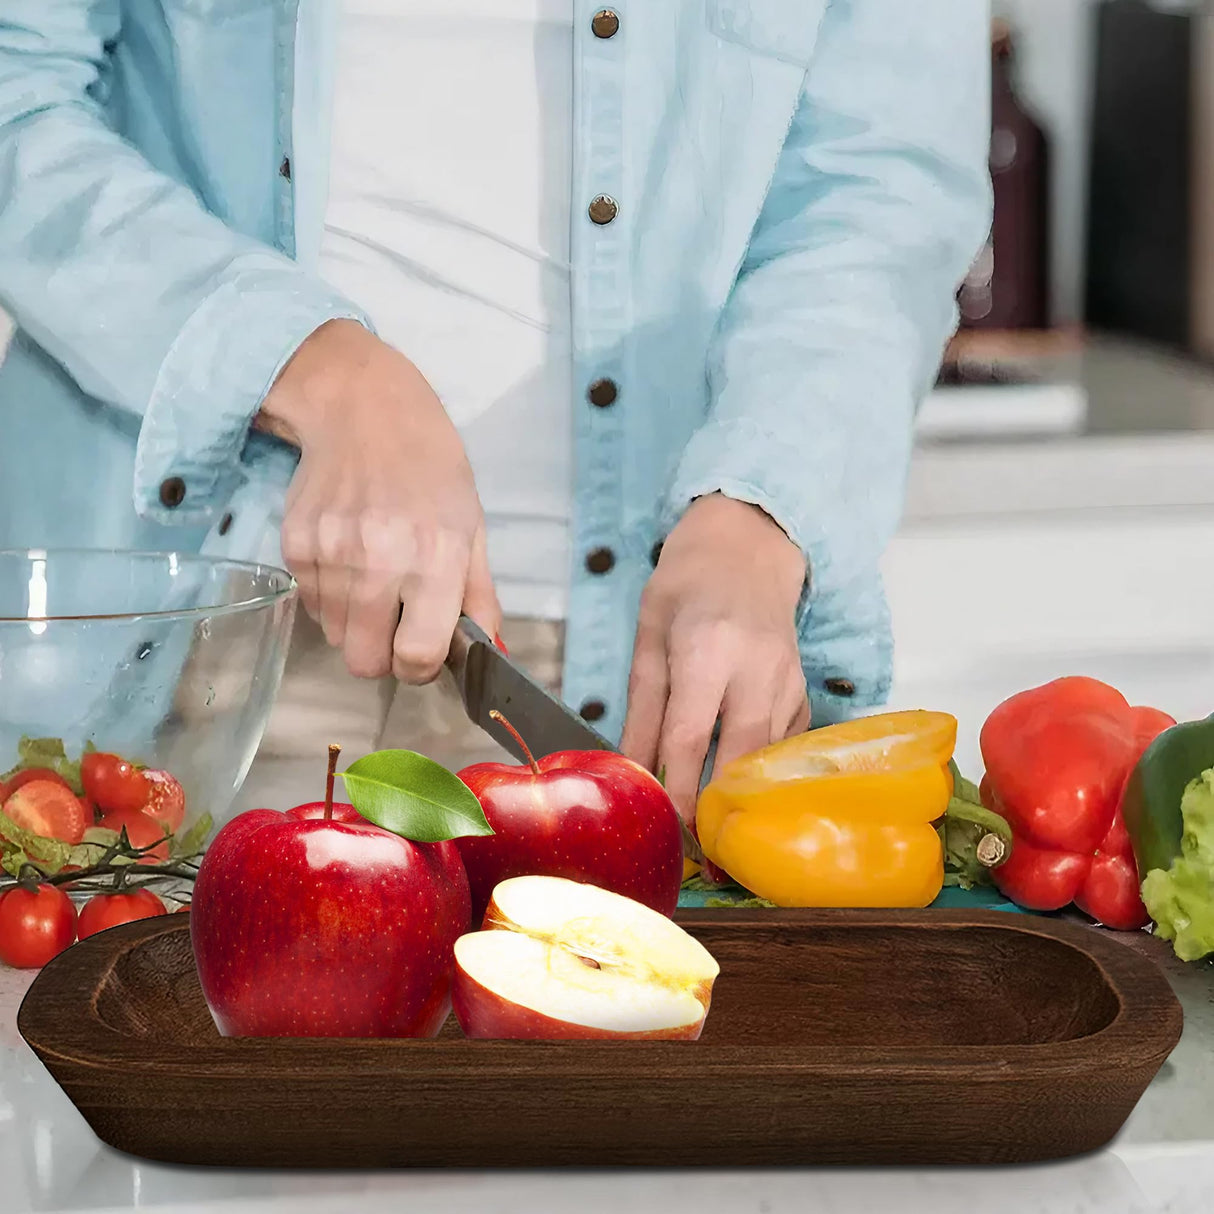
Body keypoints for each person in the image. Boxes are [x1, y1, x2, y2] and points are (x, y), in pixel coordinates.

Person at [0, 2, 991, 824]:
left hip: (649, 683)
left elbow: (880, 194)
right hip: (208, 659)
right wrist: (312, 364)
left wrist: (758, 510)